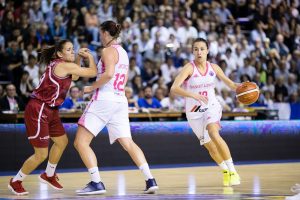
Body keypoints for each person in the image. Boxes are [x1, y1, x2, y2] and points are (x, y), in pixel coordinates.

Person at [74, 20, 158, 195]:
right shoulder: (124, 53)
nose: (100, 37)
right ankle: (150, 179)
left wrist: (91, 87)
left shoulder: (107, 51)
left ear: (105, 33)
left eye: (100, 34)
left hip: (104, 99)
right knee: (128, 142)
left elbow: (109, 74)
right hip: (120, 99)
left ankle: (96, 182)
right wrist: (90, 59)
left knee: (80, 142)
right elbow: (118, 76)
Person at [8, 39, 97, 195]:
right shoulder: (62, 65)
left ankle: (48, 174)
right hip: (39, 108)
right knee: (41, 154)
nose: (73, 51)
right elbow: (92, 73)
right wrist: (89, 57)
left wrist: (78, 59)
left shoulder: (63, 64)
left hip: (51, 109)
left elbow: (74, 76)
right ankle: (16, 181)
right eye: (69, 50)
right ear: (59, 54)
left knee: (62, 142)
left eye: (72, 49)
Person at [171, 38, 241, 187]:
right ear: (192, 51)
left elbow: (230, 84)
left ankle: (233, 171)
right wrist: (194, 95)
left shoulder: (214, 68)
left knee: (213, 132)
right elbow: (174, 88)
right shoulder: (189, 68)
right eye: (196, 49)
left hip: (211, 106)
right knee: (210, 146)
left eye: (202, 49)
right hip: (194, 112)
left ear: (207, 51)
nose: (199, 52)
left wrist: (241, 87)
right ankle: (225, 171)